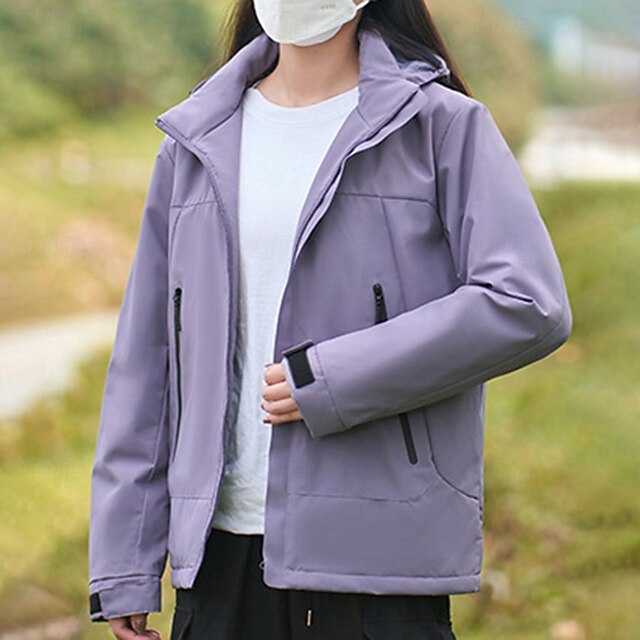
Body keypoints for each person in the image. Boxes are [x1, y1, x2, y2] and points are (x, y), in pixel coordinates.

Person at [88, 0, 573, 638]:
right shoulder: (195, 140)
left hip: (378, 566)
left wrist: (333, 379)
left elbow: (527, 301)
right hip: (219, 565)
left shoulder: (441, 127)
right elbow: (147, 362)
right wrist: (124, 559)